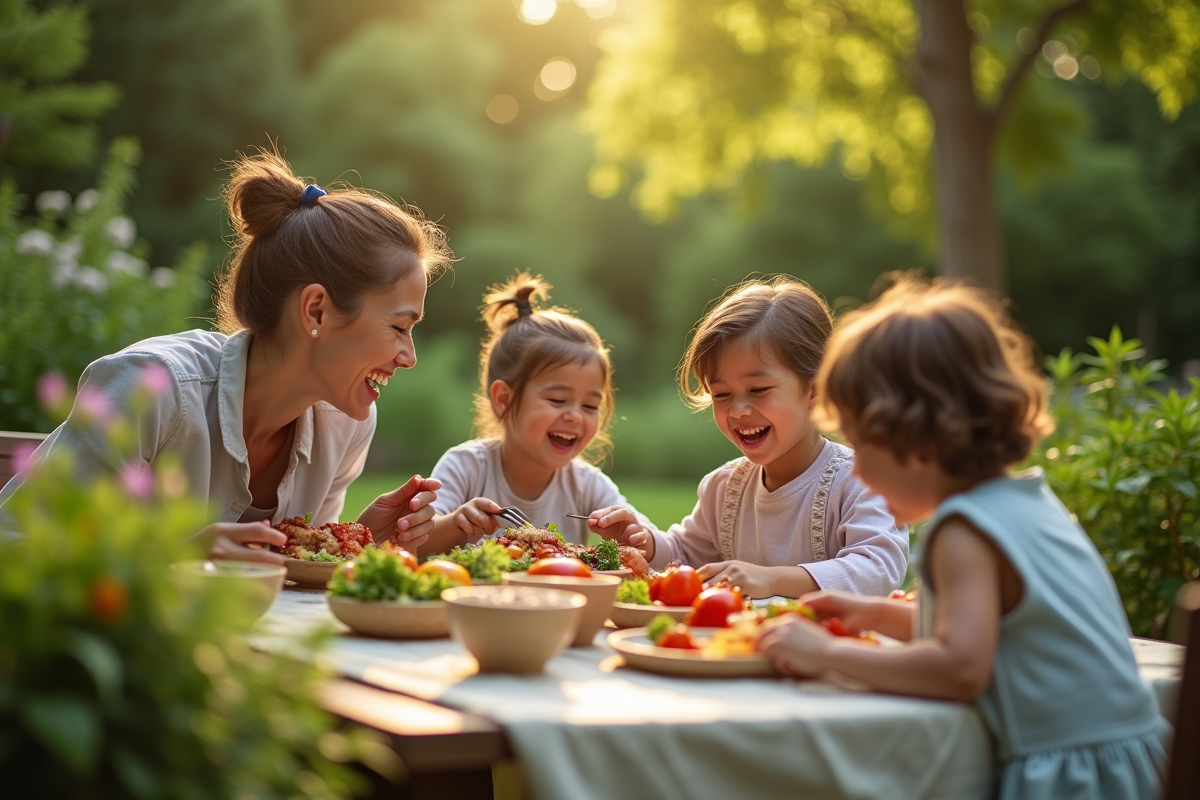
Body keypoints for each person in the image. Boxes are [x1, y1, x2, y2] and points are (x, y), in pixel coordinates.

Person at [757, 276, 1168, 800]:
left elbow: (957, 668)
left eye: (861, 446)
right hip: (1132, 760)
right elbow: (1004, 633)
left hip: (1067, 777)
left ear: (915, 439)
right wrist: (876, 615)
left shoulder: (962, 531)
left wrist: (825, 654)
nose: (856, 472)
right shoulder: (1030, 502)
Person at [0, 150, 452, 563]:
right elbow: (15, 546)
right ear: (316, 309)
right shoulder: (152, 388)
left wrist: (355, 541)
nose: (409, 356)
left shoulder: (347, 425)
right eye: (399, 328)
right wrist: (177, 558)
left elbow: (286, 585)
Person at [592, 276, 907, 598]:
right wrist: (644, 541)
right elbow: (686, 555)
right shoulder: (724, 488)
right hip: (739, 646)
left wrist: (773, 580)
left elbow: (877, 568)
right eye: (722, 394)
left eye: (758, 390)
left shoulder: (862, 480)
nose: (738, 410)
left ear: (815, 390)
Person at [422, 273, 649, 551]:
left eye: (590, 405)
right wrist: (456, 523)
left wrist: (633, 536)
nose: (575, 416)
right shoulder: (466, 467)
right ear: (504, 399)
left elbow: (646, 537)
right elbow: (415, 539)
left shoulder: (587, 485)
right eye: (557, 399)